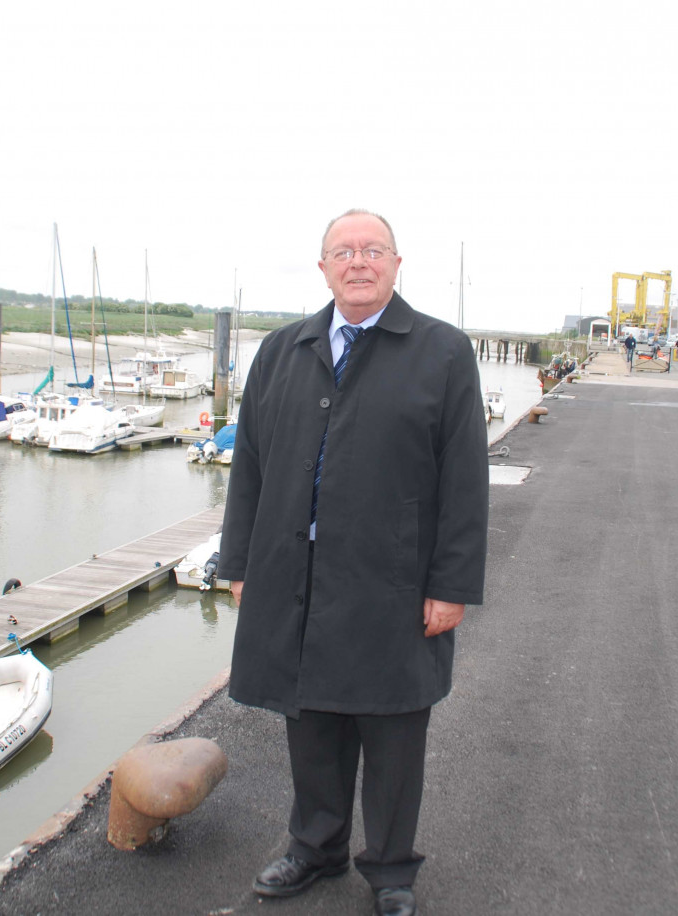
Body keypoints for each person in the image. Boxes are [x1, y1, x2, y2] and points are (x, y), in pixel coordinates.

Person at [219, 209, 488, 916]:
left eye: (373, 250)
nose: (358, 261)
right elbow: (247, 467)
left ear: (397, 264)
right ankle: (315, 848)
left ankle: (392, 870)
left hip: (393, 581)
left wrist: (452, 584)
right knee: (312, 726)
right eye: (344, 251)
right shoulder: (283, 351)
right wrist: (240, 561)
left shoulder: (442, 352)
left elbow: (464, 478)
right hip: (297, 578)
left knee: (394, 730)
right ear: (323, 268)